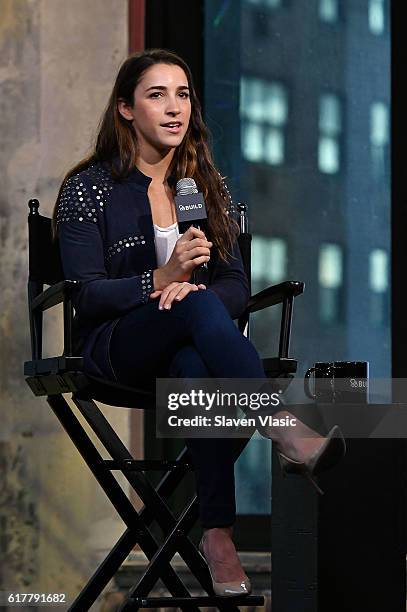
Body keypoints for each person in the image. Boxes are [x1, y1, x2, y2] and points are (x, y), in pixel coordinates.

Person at [53, 48, 345, 597]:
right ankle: (280, 424)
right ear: (124, 109)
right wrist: (160, 279)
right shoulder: (88, 189)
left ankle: (217, 535)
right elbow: (86, 296)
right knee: (194, 303)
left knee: (196, 357)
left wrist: (193, 293)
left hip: (193, 349)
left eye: (182, 94)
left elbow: (234, 284)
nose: (174, 108)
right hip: (116, 344)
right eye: (156, 95)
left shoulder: (205, 187)